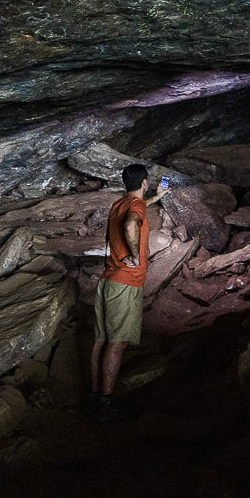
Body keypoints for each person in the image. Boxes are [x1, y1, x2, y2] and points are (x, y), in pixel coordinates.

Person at [87, 163, 161, 420]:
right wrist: (135, 255)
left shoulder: (119, 204)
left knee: (101, 341)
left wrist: (156, 198)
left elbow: (135, 208)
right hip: (125, 282)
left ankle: (96, 397)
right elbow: (132, 223)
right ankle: (106, 405)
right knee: (116, 344)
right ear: (144, 182)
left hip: (107, 280)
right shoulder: (135, 208)